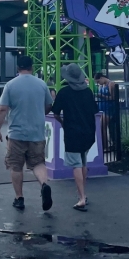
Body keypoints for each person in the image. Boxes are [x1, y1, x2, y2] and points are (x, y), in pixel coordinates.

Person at [0, 54, 54, 211]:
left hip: (17, 134)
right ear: (32, 67)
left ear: (17, 68)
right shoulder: (41, 84)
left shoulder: (11, 85)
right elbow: (49, 105)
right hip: (37, 132)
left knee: (15, 166)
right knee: (38, 163)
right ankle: (44, 184)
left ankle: (19, 198)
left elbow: (2, 109)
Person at [51, 64, 97, 211]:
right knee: (83, 162)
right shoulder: (88, 92)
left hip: (72, 132)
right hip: (89, 132)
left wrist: (63, 123)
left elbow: (56, 113)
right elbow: (95, 111)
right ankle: (83, 194)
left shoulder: (64, 93)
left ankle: (81, 197)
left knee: (76, 164)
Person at [93, 71, 117, 146]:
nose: (98, 83)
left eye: (98, 81)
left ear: (102, 78)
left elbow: (113, 97)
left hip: (109, 109)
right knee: (101, 127)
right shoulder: (102, 86)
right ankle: (104, 144)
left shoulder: (111, 84)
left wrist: (101, 96)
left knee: (102, 126)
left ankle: (105, 145)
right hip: (102, 109)